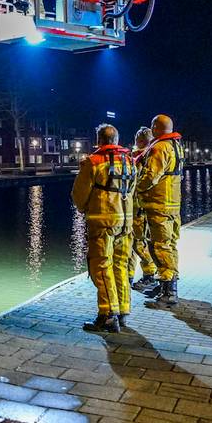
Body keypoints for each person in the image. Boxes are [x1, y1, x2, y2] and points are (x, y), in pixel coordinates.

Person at [71, 123, 137, 333]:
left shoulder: (93, 162)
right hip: (125, 222)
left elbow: (79, 194)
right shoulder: (130, 161)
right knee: (121, 265)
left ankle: (108, 316)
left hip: (102, 222)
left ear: (99, 140)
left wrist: (84, 208)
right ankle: (123, 311)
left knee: (102, 267)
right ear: (116, 141)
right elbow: (132, 189)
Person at [136, 113, 185, 307]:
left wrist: (135, 186)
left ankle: (169, 290)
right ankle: (166, 283)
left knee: (159, 246)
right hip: (172, 203)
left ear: (156, 127)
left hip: (159, 204)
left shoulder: (159, 147)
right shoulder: (176, 146)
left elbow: (150, 177)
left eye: (152, 126)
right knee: (170, 244)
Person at [130, 127, 159, 292]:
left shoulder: (141, 158)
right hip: (146, 207)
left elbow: (137, 183)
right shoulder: (152, 156)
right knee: (144, 242)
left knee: (138, 244)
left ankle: (150, 275)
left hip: (138, 208)